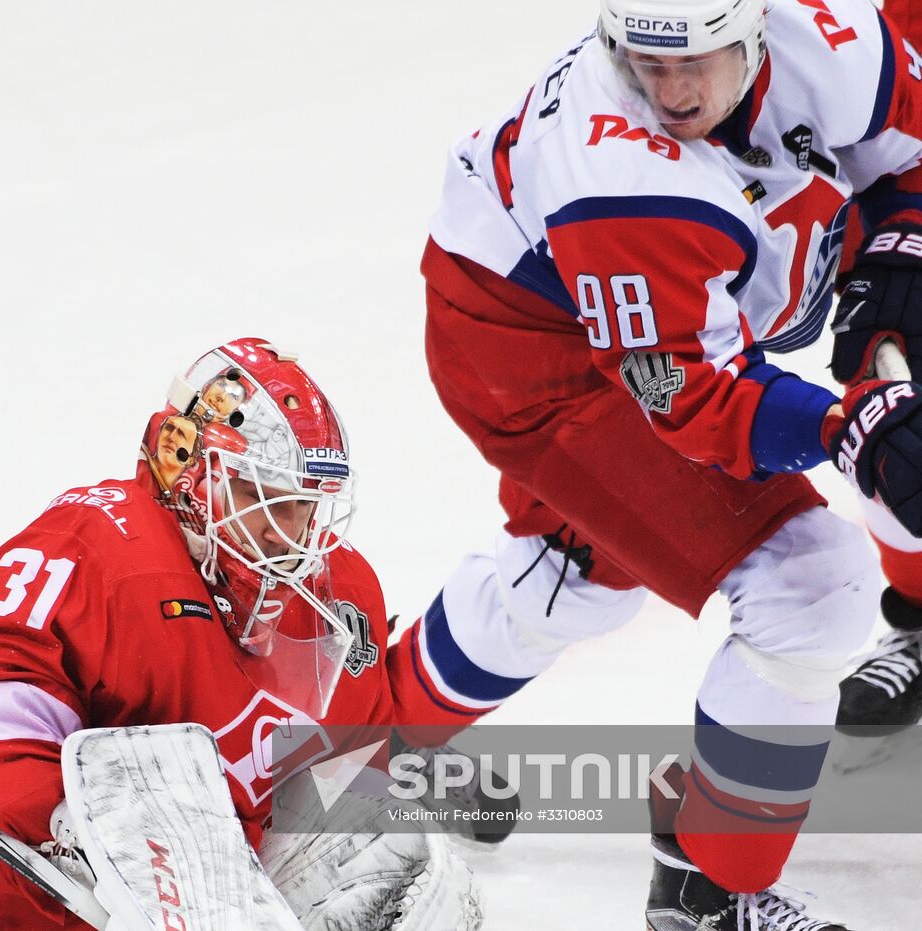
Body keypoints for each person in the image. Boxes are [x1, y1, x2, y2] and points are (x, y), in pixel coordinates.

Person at [398, 0, 922, 927]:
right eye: (647, 60)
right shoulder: (620, 178)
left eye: (697, 59)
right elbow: (692, 396)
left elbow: (904, 158)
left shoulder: (828, 34)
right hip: (537, 351)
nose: (673, 91)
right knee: (810, 584)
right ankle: (709, 885)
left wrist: (900, 259)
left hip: (605, 287)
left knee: (582, 578)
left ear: (756, 29)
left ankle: (372, 736)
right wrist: (852, 424)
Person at [0, 338, 478, 930]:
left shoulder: (336, 591)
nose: (288, 533)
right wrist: (72, 831)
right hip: (20, 918)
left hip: (220, 907)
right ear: (188, 467)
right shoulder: (100, 547)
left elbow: (346, 769)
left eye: (304, 503)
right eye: (262, 495)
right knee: (151, 777)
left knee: (404, 864)